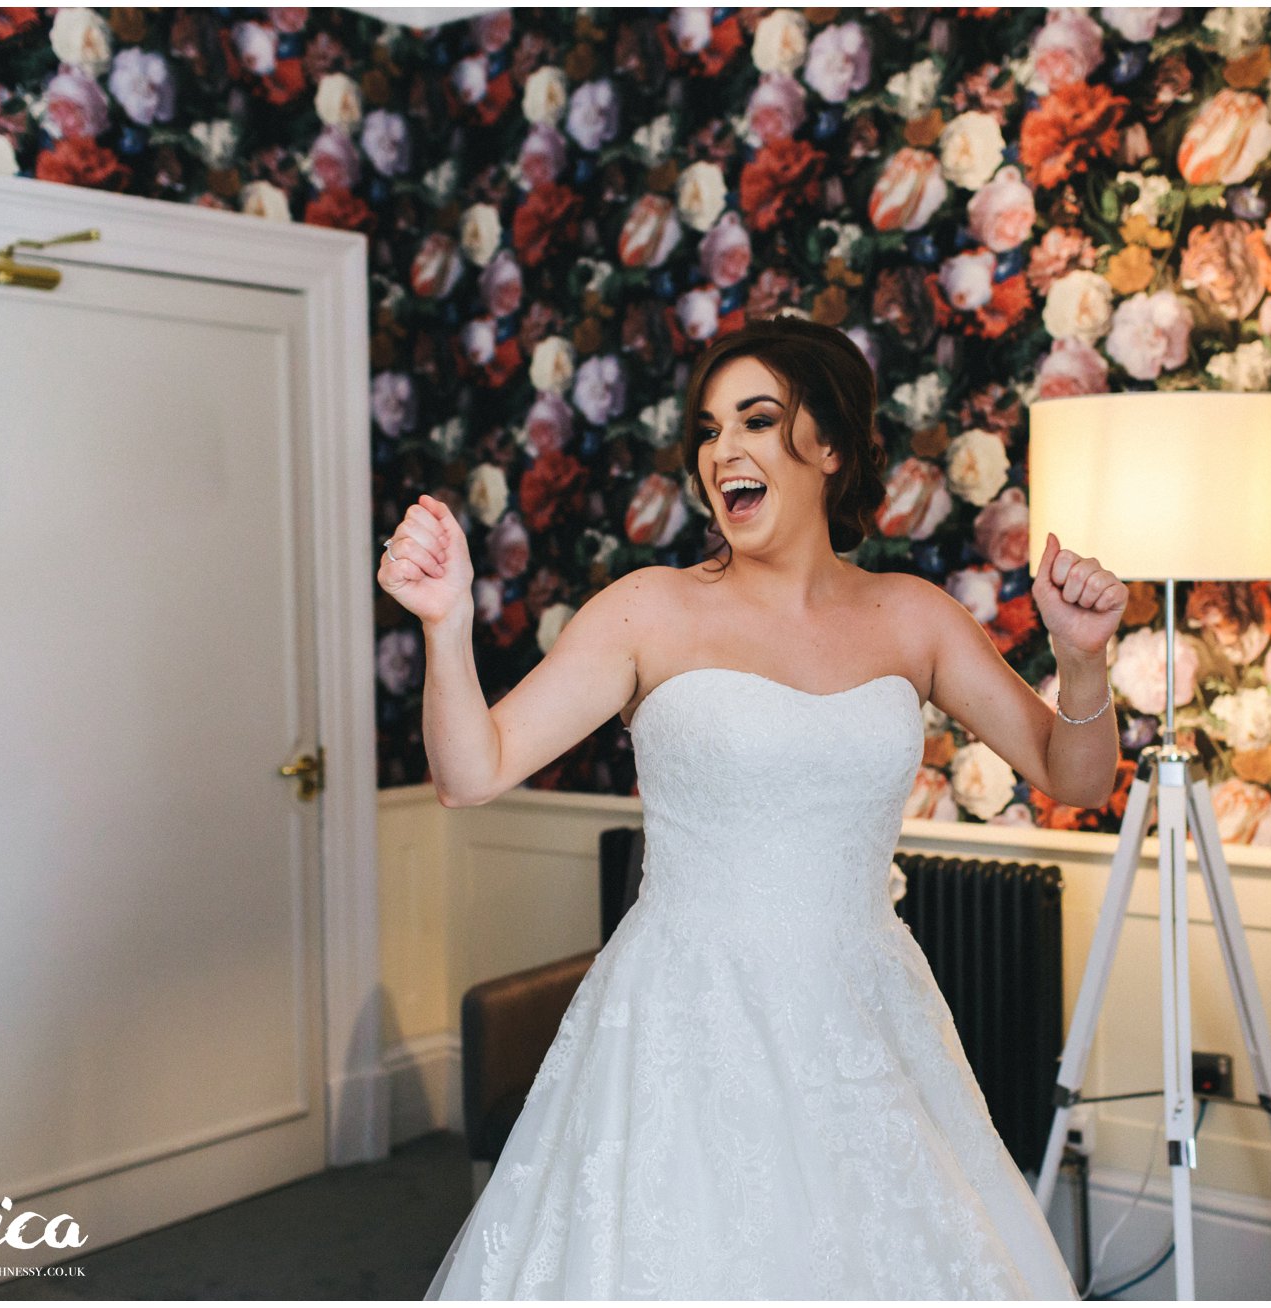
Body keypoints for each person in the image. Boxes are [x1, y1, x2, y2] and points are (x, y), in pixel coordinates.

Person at [384, 317, 1127, 1299]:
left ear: (826, 445)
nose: (721, 450)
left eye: (757, 419)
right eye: (706, 429)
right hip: (682, 1020)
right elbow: (470, 773)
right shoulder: (648, 611)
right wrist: (444, 627)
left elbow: (1072, 777)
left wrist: (1082, 660)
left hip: (862, 1012)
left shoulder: (913, 618)